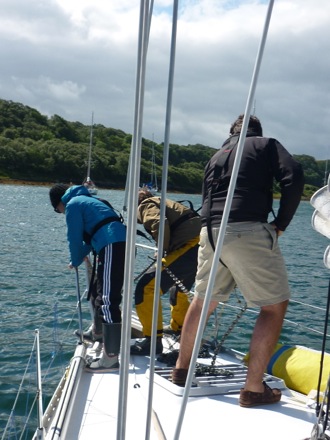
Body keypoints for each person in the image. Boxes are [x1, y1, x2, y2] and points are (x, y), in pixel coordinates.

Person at [172, 114, 304, 407]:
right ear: (257, 132)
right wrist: (280, 223)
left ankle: (181, 370)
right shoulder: (265, 144)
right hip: (246, 229)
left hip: (209, 231)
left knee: (203, 299)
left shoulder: (216, 156)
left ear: (230, 134)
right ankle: (254, 389)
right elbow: (293, 175)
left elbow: (207, 197)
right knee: (273, 307)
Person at [49, 183, 126, 372]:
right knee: (99, 291)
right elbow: (91, 238)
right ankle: (98, 333)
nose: (60, 213)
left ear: (59, 203)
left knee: (108, 299)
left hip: (111, 245)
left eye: (57, 210)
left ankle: (110, 359)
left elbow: (74, 238)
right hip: (113, 243)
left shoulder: (73, 205)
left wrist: (74, 260)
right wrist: (79, 255)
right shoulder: (89, 200)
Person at [131, 189, 201, 355]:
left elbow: (159, 224)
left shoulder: (145, 205)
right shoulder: (162, 201)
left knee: (146, 287)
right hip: (201, 245)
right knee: (179, 287)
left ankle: (152, 342)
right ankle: (178, 328)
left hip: (190, 245)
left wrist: (161, 250)